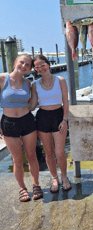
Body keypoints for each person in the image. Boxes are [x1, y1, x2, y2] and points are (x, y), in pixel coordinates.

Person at [0, 54, 43, 202]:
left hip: (27, 121)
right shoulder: (2, 79)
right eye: (21, 62)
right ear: (15, 62)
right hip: (9, 123)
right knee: (17, 160)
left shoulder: (28, 83)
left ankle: (36, 184)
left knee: (32, 156)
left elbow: (31, 105)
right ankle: (22, 188)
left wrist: (35, 100)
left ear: (30, 68)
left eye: (27, 65)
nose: (24, 66)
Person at [30, 55, 71, 193]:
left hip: (59, 116)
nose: (40, 68)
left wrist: (65, 120)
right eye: (37, 66)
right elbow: (32, 104)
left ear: (48, 64)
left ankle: (64, 176)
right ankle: (55, 177)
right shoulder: (35, 84)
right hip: (42, 118)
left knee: (59, 152)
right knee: (48, 152)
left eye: (42, 65)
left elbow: (66, 101)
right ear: (34, 69)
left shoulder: (60, 80)